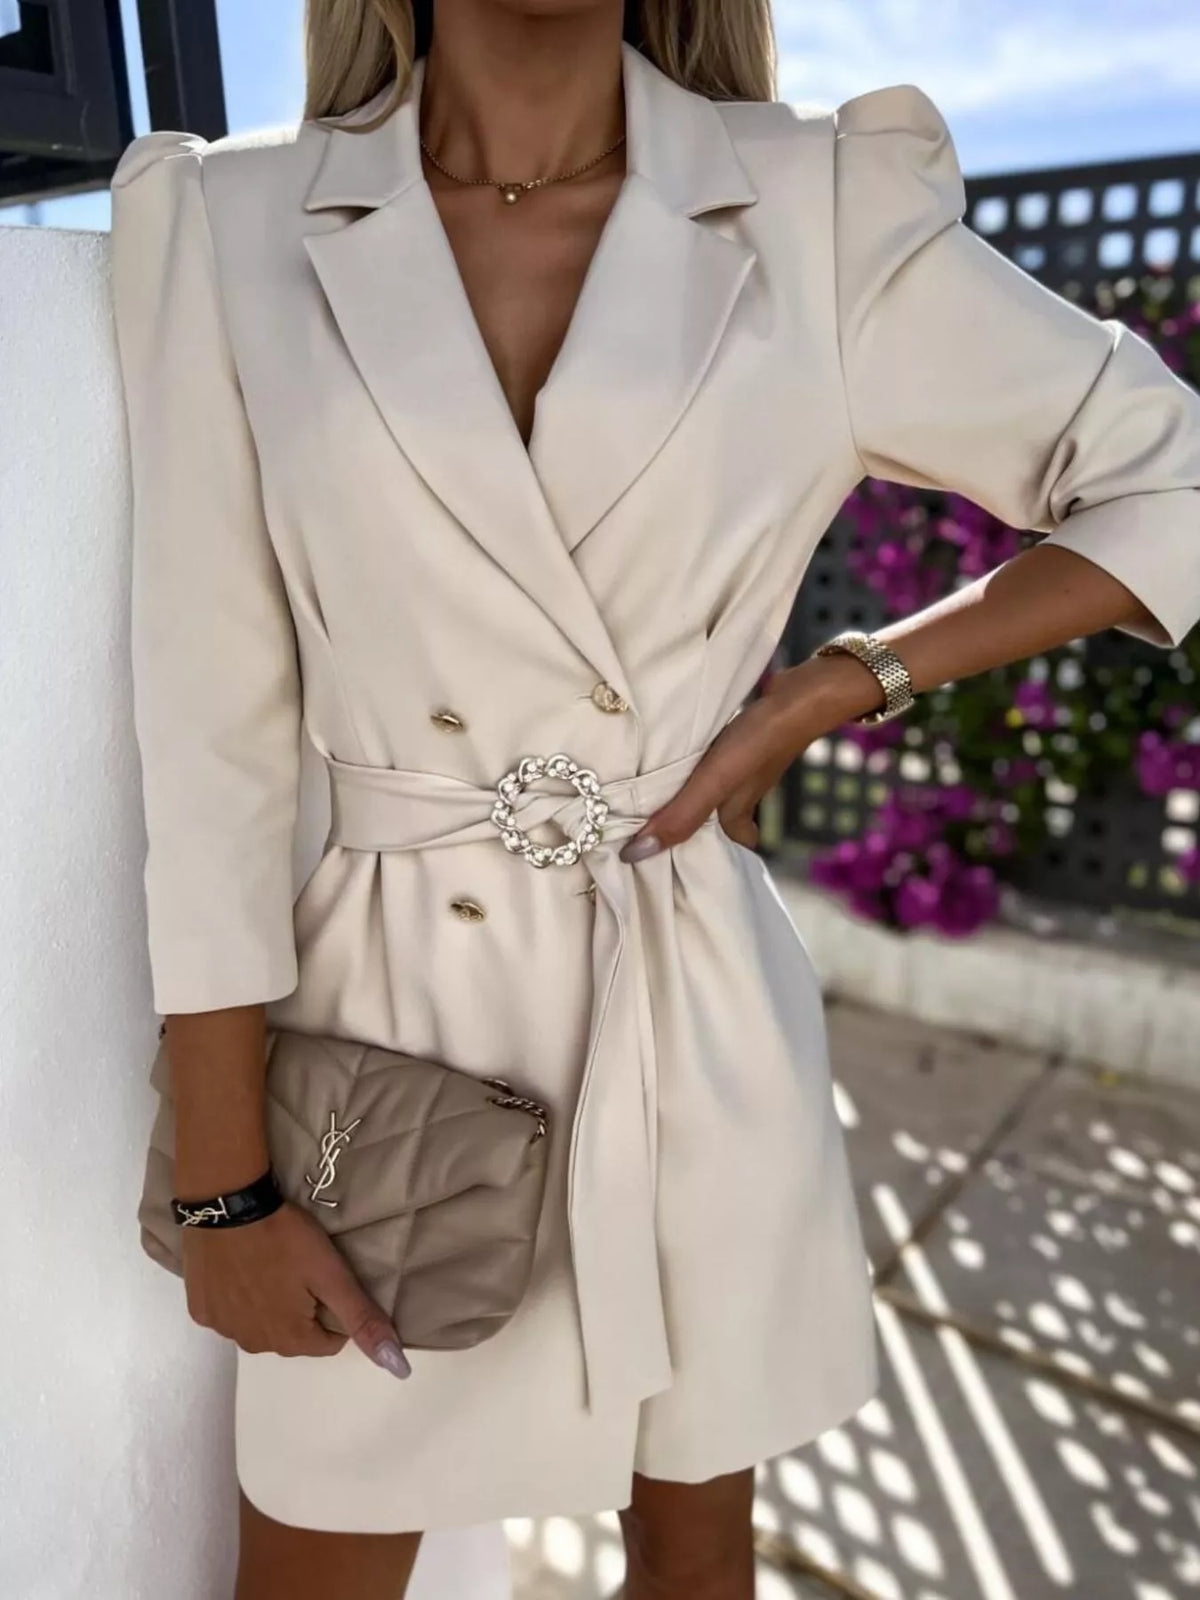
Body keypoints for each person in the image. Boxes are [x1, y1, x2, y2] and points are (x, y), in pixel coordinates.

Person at [108, 1, 1200, 1596]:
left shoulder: (819, 208)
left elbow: (1166, 475)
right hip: (385, 1029)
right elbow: (207, 732)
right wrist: (219, 1185)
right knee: (315, 1547)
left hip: (687, 1003)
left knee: (695, 1548)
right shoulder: (228, 225)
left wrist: (839, 684)